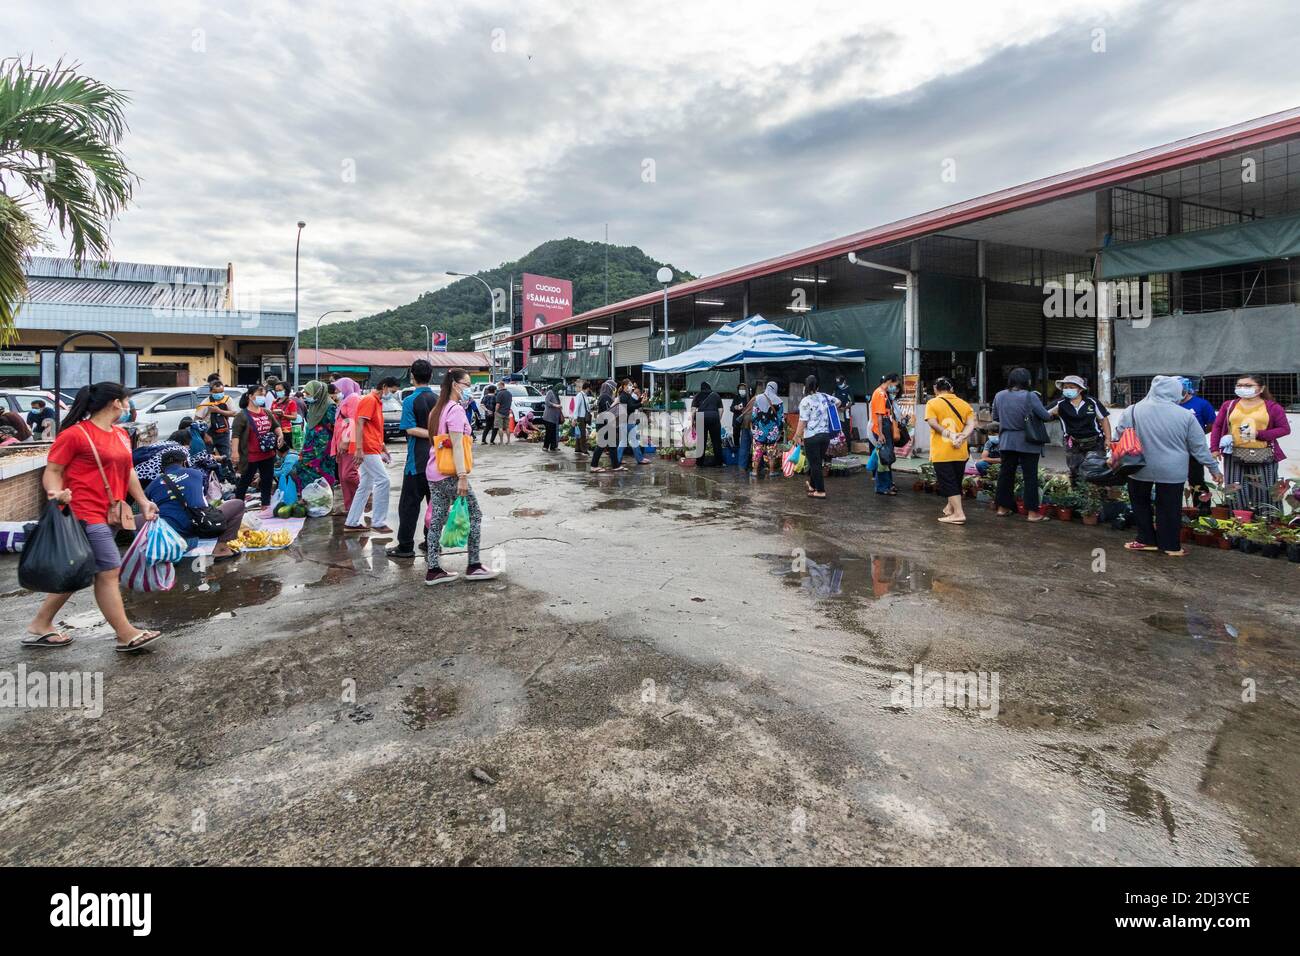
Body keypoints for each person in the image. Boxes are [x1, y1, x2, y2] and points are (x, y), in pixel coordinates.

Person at [22, 382, 162, 653]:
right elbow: (52, 470)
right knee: (109, 571)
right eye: (126, 401)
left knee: (80, 569)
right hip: (84, 512)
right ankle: (125, 633)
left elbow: (128, 471)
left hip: (112, 513)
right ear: (115, 403)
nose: (128, 406)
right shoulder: (76, 435)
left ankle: (40, 625)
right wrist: (55, 492)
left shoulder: (121, 434)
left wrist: (143, 501)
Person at [1113, 375, 1223, 556]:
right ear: (1176, 392)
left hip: (1139, 467)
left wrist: (1113, 458)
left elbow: (1119, 437)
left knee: (1140, 502)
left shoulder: (1132, 410)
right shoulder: (1186, 415)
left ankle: (1145, 539)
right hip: (1173, 470)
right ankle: (1171, 546)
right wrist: (1214, 469)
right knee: (1170, 507)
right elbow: (1199, 447)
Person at [424, 368, 497, 584]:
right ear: (455, 385)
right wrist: (462, 476)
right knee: (475, 514)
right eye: (467, 384)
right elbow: (456, 445)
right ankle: (474, 565)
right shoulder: (454, 410)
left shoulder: (437, 409)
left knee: (437, 518)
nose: (469, 389)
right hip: (451, 473)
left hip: (433, 471)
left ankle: (433, 569)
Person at [1209, 373, 1291, 513]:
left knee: (1264, 490)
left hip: (1263, 454)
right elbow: (1217, 426)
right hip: (1234, 454)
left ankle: (1267, 522)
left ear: (1261, 388)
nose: (1242, 388)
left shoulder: (1272, 407)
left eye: (1248, 385)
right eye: (1239, 385)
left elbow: (1284, 429)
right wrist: (1214, 448)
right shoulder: (1229, 405)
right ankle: (1240, 522)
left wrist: (1259, 434)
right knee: (1235, 490)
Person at [146, 447, 246, 560]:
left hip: (170, 536)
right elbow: (202, 502)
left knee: (142, 518)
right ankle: (222, 549)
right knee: (238, 504)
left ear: (162, 467)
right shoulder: (196, 474)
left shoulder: (151, 486)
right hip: (197, 530)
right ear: (184, 462)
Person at [387, 360, 438, 558]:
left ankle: (406, 546)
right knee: (435, 506)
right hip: (438, 461)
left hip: (417, 462)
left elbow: (409, 429)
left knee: (409, 506)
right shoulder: (438, 399)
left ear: (412, 376)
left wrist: (430, 435)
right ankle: (431, 543)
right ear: (431, 376)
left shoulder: (409, 401)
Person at [992, 367, 1053, 521]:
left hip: (1006, 441)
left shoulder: (999, 396)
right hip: (1028, 442)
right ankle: (1032, 513)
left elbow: (996, 418)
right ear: (1028, 381)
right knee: (1030, 477)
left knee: (1005, 475)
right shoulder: (1030, 396)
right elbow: (1045, 416)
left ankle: (1002, 508)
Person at [344, 377, 397, 533]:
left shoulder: (377, 402)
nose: (392, 395)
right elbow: (359, 423)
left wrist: (383, 446)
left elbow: (373, 429)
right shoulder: (370, 400)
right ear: (384, 387)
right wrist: (359, 449)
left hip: (371, 446)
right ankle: (378, 522)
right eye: (392, 391)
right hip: (366, 448)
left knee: (366, 485)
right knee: (383, 481)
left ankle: (352, 522)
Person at [924, 377, 975, 524]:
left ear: (935, 389)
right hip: (960, 451)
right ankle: (951, 508)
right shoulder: (965, 404)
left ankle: (959, 513)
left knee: (948, 482)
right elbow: (971, 424)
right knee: (955, 481)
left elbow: (933, 423)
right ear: (952, 388)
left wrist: (949, 435)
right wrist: (961, 437)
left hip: (942, 451)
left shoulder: (932, 403)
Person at [1048, 375, 1112, 484]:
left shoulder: (1092, 402)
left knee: (1096, 469)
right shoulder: (1060, 404)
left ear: (1080, 389)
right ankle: (1078, 495)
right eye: (1065, 387)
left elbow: (1103, 420)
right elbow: (1043, 414)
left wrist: (1108, 439)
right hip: (1073, 443)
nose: (1068, 389)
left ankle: (1098, 496)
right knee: (1075, 472)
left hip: (1095, 442)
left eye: (1071, 387)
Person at [230, 385, 284, 508]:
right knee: (245, 480)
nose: (262, 398)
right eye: (259, 395)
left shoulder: (266, 412)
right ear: (250, 396)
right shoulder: (242, 415)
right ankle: (237, 505)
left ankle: (265, 504)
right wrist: (235, 452)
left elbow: (275, 426)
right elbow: (236, 435)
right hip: (251, 455)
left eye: (263, 395)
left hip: (268, 454)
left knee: (267, 480)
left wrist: (280, 435)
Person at [1178, 377, 1216, 510]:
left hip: (1194, 450)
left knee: (1197, 481)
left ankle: (1202, 510)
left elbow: (1211, 424)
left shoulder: (1201, 404)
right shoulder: (1170, 405)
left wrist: (1196, 435)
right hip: (1175, 450)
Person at [792, 374, 832, 499]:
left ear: (806, 387)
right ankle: (813, 486)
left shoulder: (805, 401)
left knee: (815, 464)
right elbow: (839, 402)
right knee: (817, 462)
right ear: (818, 386)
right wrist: (826, 410)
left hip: (812, 437)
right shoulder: (825, 397)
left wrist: (797, 435)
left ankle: (820, 491)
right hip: (825, 435)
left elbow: (803, 421)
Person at [294, 380, 337, 489]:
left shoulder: (330, 406)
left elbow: (336, 427)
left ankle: (324, 498)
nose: (306, 396)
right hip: (310, 443)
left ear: (318, 392)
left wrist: (321, 430)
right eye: (306, 394)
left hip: (323, 446)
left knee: (322, 470)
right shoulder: (313, 405)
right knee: (302, 466)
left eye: (309, 394)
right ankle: (310, 496)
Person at [330, 377, 362, 514]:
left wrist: (346, 440)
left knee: (349, 474)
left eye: (338, 389)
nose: (336, 392)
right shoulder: (345, 400)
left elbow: (353, 420)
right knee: (343, 478)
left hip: (348, 443)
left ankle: (364, 493)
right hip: (341, 443)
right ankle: (350, 507)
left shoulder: (353, 398)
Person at [869, 373, 902, 495]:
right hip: (882, 429)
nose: (895, 387)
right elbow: (879, 415)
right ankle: (882, 487)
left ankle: (888, 484)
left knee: (887, 457)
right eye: (895, 384)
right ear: (889, 381)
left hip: (886, 427)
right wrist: (881, 433)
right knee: (883, 458)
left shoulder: (885, 394)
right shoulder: (879, 393)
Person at [749, 381, 784, 477]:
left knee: (757, 450)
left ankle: (755, 471)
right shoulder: (779, 401)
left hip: (759, 430)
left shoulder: (758, 398)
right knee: (771, 451)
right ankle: (772, 472)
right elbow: (781, 419)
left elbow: (754, 415)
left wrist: (755, 427)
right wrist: (780, 430)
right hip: (772, 431)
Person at [197, 380, 237, 459]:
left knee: (226, 457)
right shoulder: (205, 403)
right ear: (210, 391)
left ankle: (226, 470)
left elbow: (234, 413)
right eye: (216, 392)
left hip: (224, 432)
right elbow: (197, 420)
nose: (219, 394)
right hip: (209, 433)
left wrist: (219, 411)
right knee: (207, 458)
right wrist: (205, 435)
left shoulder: (227, 399)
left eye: (221, 391)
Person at [589, 379, 621, 472]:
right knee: (601, 445)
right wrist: (615, 402)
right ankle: (593, 466)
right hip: (604, 424)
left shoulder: (606, 396)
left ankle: (616, 466)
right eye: (614, 388)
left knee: (612, 445)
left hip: (607, 423)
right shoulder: (604, 397)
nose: (615, 390)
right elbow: (609, 410)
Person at [618, 379, 647, 465]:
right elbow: (630, 407)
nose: (631, 387)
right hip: (625, 422)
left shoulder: (628, 395)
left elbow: (634, 402)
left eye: (631, 385)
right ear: (624, 386)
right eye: (629, 385)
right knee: (624, 442)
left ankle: (639, 459)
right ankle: (617, 460)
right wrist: (641, 403)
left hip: (628, 421)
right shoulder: (623, 396)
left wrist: (641, 398)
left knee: (631, 441)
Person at [694, 381, 723, 466]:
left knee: (701, 442)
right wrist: (718, 419)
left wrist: (693, 422)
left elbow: (693, 410)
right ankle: (718, 463)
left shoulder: (697, 395)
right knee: (716, 441)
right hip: (714, 417)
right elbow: (721, 410)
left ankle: (699, 463)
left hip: (700, 417)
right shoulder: (716, 395)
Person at [731, 383, 752, 472]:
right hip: (737, 420)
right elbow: (731, 408)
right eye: (740, 388)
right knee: (736, 436)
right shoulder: (736, 397)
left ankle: (745, 457)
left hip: (746, 421)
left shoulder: (749, 397)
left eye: (743, 388)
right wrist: (735, 407)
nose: (742, 390)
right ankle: (736, 453)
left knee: (746, 439)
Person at [572, 381, 591, 457]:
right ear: (587, 388)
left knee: (579, 434)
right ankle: (584, 450)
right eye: (589, 389)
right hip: (580, 417)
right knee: (582, 434)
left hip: (583, 417)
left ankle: (578, 449)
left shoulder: (584, 395)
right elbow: (576, 407)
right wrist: (575, 418)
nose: (589, 390)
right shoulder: (580, 395)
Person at [542, 382, 562, 451]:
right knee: (549, 432)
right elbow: (547, 402)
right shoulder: (550, 392)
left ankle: (553, 447)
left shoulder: (557, 395)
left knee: (554, 433)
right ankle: (545, 446)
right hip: (548, 417)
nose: (561, 391)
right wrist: (555, 405)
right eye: (560, 389)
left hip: (555, 417)